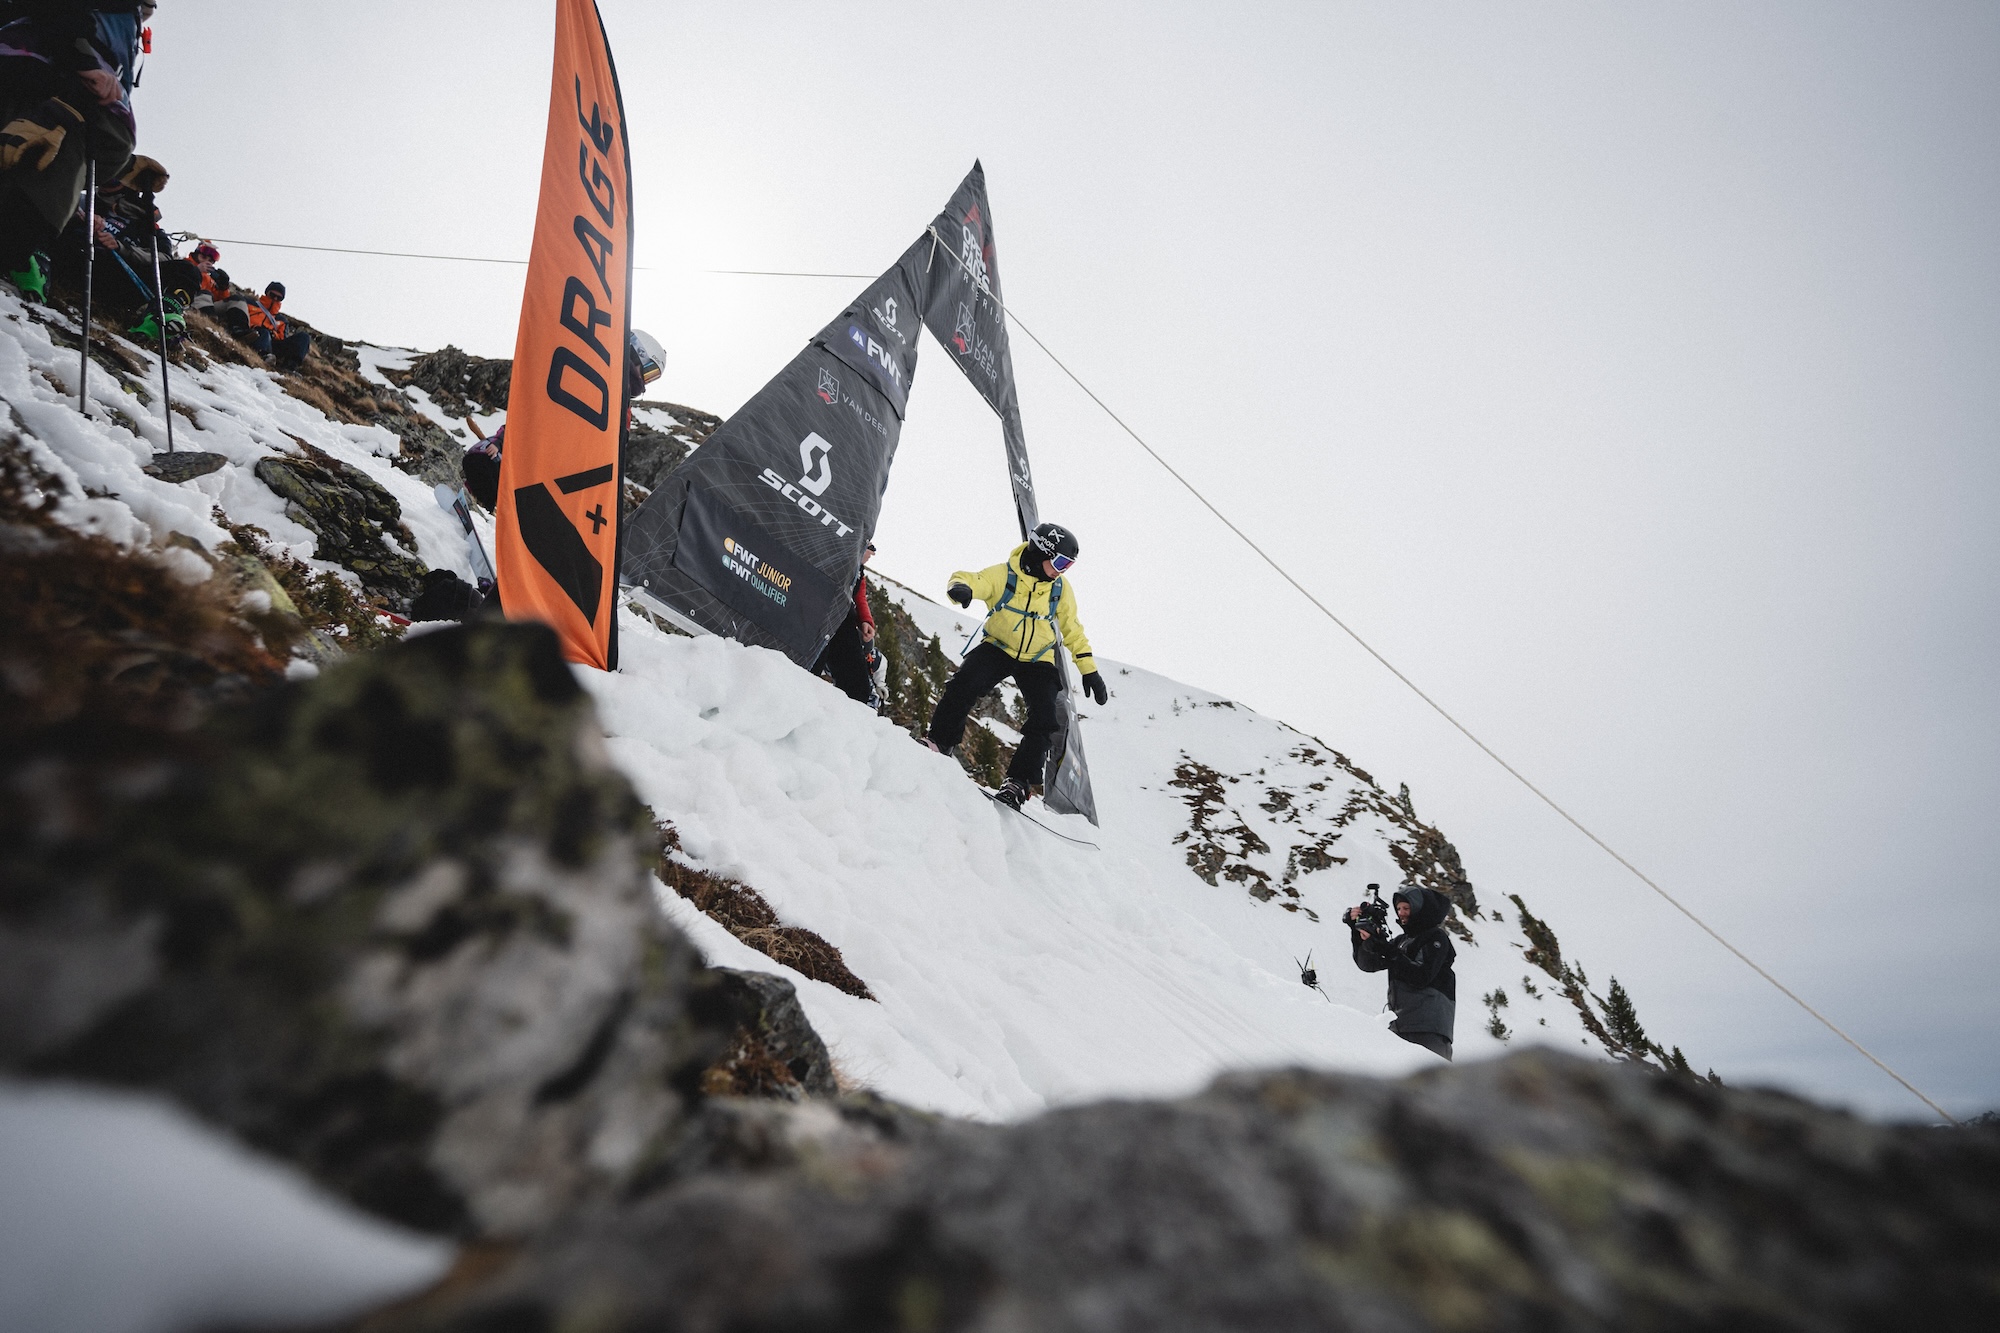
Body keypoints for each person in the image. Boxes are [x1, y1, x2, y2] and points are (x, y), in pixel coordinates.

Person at [925, 522, 1107, 809]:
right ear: (1041, 552)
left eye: (1069, 565)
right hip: (998, 646)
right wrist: (960, 589)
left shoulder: (1059, 588)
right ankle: (939, 743)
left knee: (1047, 718)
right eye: (1060, 561)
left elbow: (1072, 628)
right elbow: (971, 579)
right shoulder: (1005, 575)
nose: (1062, 570)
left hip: (1038, 658)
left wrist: (1090, 671)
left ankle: (1018, 782)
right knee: (964, 683)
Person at [0, 2, 153, 300]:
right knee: (23, 215)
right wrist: (81, 56)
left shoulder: (128, 19)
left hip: (73, 99)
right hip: (49, 78)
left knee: (23, 215)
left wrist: (128, 166)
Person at [1346, 883, 1457, 1060]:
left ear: (1420, 909)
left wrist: (1387, 949)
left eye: (1406, 908)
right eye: (1398, 908)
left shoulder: (1436, 937)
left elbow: (1421, 976)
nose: (1401, 913)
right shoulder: (1401, 941)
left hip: (1428, 1029)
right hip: (1400, 1026)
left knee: (1433, 1086)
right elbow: (1367, 964)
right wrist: (1357, 934)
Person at [813, 539, 878, 705]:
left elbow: (860, 595)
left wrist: (865, 621)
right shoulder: (839, 555)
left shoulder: (859, 571)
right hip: (819, 612)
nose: (873, 552)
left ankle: (849, 717)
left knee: (856, 682)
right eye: (870, 547)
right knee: (812, 664)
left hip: (843, 619)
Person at [239, 280, 310, 368]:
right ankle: (263, 356)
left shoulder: (281, 320)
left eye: (279, 298)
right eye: (273, 295)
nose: (275, 299)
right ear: (267, 293)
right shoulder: (250, 304)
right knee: (264, 332)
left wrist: (273, 334)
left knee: (304, 337)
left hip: (272, 344)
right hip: (252, 335)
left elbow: (282, 337)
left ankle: (290, 367)